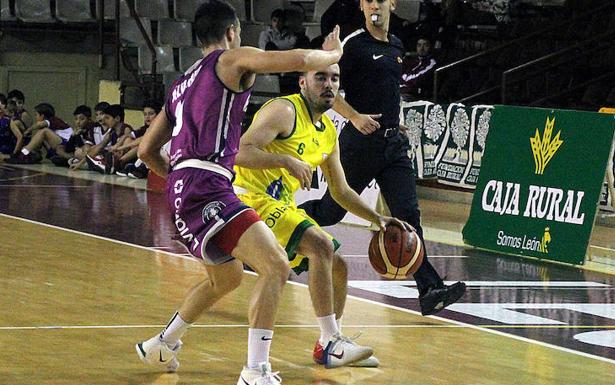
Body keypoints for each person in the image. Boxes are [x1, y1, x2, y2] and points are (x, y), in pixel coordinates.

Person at [135, 1, 343, 384]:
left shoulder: (181, 84)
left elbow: (146, 150)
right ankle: (255, 370)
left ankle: (163, 343)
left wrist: (179, 180)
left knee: (226, 278)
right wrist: (333, 53)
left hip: (182, 188)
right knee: (276, 265)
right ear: (232, 31)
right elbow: (294, 59)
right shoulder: (229, 60)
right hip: (208, 184)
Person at [235, 64, 413, 368]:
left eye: (335, 79)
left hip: (281, 204)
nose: (329, 85)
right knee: (321, 246)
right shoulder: (283, 110)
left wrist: (378, 219)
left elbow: (341, 190)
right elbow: (240, 151)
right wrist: (285, 160)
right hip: (249, 198)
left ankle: (328, 342)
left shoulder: (329, 132)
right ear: (302, 82)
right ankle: (331, 342)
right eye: (320, 77)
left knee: (338, 267)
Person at [299, 0, 466, 316]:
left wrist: (394, 118)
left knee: (408, 217)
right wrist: (354, 117)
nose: (375, 4)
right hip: (359, 145)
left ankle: (430, 290)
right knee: (330, 211)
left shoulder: (397, 45)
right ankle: (274, 230)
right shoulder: (354, 44)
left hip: (392, 146)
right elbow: (325, 89)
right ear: (362, 6)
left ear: (393, 3)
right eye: (368, 0)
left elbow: (387, 90)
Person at [6, 102, 73, 164]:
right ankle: (36, 155)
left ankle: (23, 155)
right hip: (61, 144)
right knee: (39, 136)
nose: (35, 117)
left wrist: (28, 130)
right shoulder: (52, 124)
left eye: (36, 115)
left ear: (42, 116)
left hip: (67, 144)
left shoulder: (53, 120)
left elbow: (39, 124)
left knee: (44, 131)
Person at [400, 37, 437, 101]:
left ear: (430, 47)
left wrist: (403, 85)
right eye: (419, 45)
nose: (422, 48)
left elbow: (418, 78)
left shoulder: (431, 62)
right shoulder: (411, 60)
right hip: (400, 91)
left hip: (414, 94)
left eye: (425, 45)